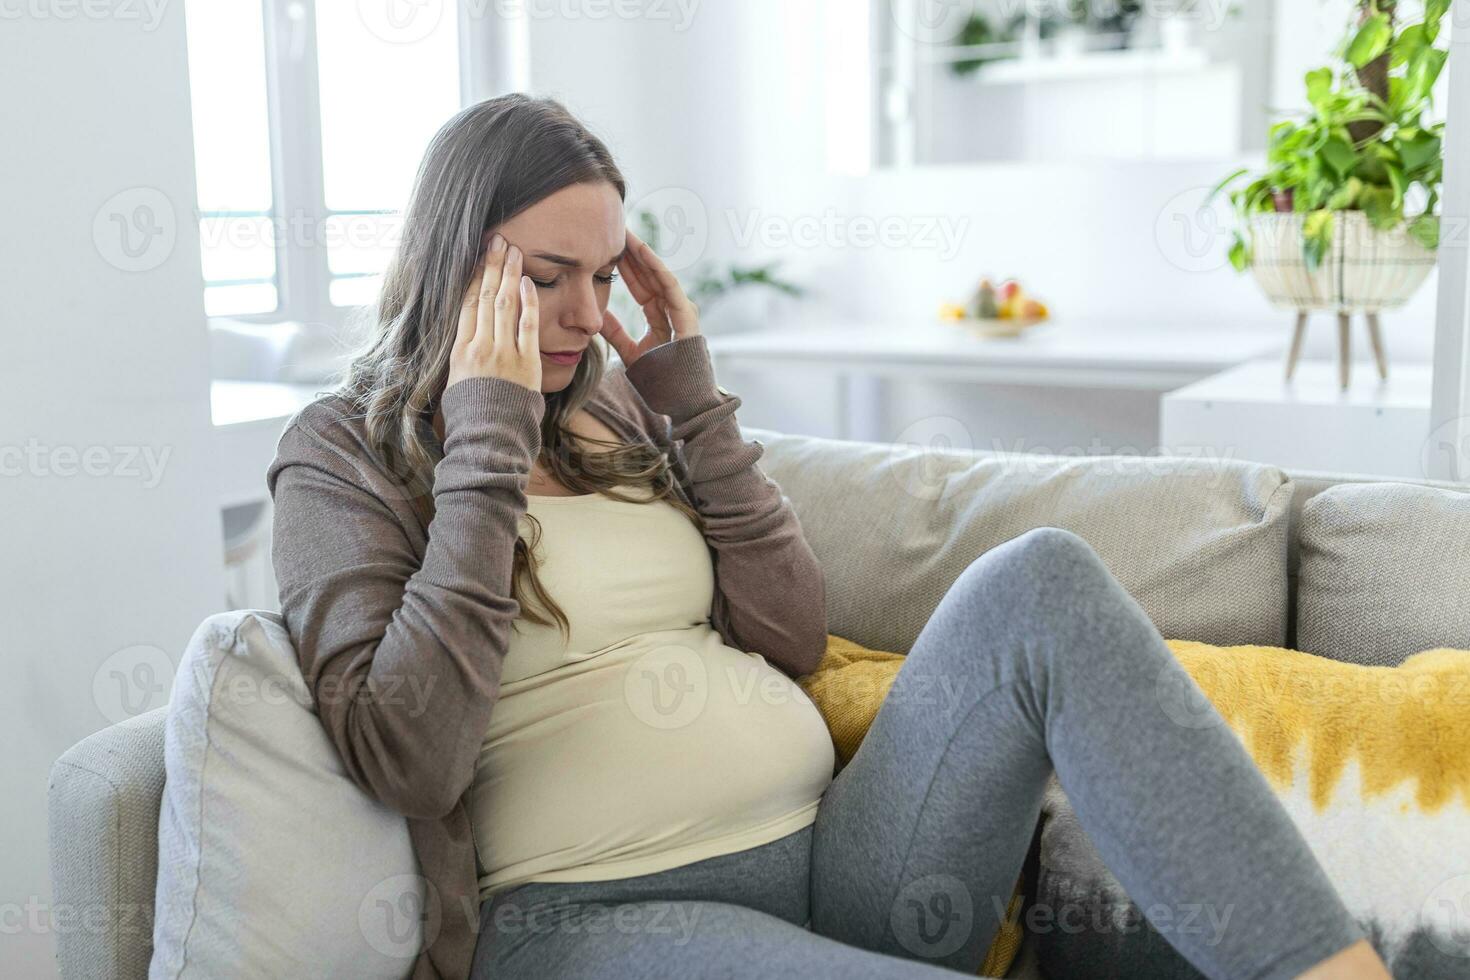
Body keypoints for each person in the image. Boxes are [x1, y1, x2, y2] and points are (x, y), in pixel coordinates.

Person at [267, 94, 1390, 980]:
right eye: (547, 277)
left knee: (1039, 580)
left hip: (845, 865)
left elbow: (791, 634)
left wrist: (690, 402)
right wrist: (485, 442)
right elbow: (408, 756)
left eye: (604, 279)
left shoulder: (610, 408)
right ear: (454, 258)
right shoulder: (341, 451)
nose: (581, 317)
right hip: (593, 919)